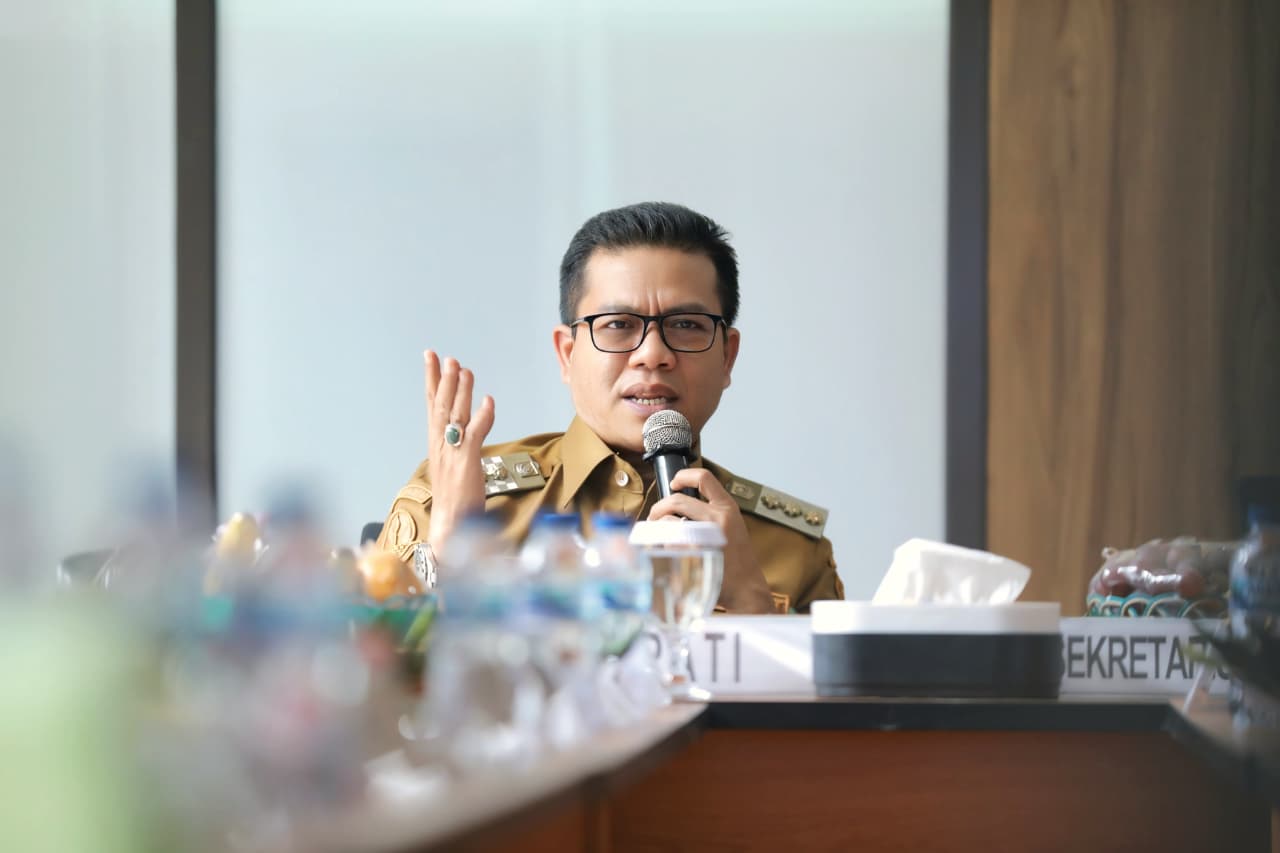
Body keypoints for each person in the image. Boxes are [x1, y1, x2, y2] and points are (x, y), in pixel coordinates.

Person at [375, 202, 843, 612]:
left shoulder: (794, 549)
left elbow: (835, 692)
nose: (653, 354)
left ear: (727, 357)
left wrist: (751, 602)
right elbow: (374, 675)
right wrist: (451, 554)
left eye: (686, 325)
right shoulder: (454, 495)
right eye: (618, 324)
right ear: (567, 354)